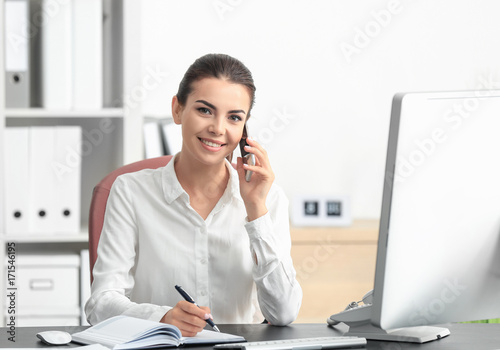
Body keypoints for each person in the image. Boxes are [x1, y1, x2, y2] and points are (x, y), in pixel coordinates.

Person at [85, 53, 302, 336]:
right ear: (177, 110)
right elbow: (100, 304)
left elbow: (283, 313)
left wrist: (255, 209)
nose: (218, 128)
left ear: (244, 129)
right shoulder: (130, 191)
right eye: (205, 110)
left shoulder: (268, 199)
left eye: (234, 117)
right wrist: (160, 317)